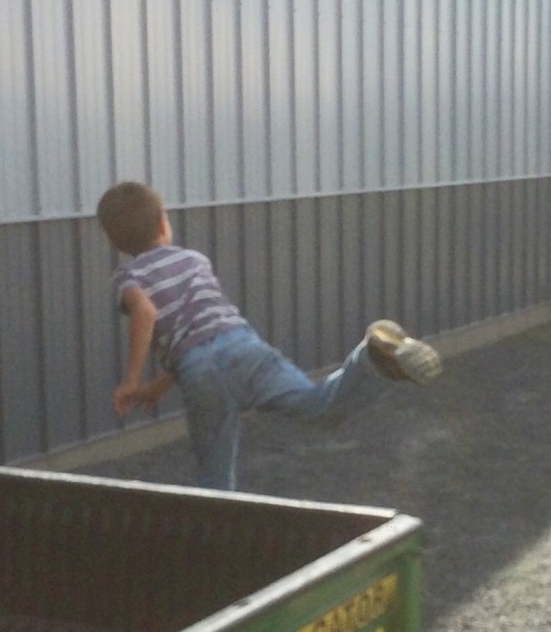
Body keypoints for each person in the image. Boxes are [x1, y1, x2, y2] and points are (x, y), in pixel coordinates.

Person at [96, 181, 442, 490]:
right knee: (319, 406)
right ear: (162, 223)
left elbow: (156, 320)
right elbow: (202, 328)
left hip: (198, 374)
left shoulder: (127, 277)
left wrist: (131, 381)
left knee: (214, 474)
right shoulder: (193, 260)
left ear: (115, 241)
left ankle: (219, 547)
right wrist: (155, 388)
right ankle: (370, 358)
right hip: (240, 345)